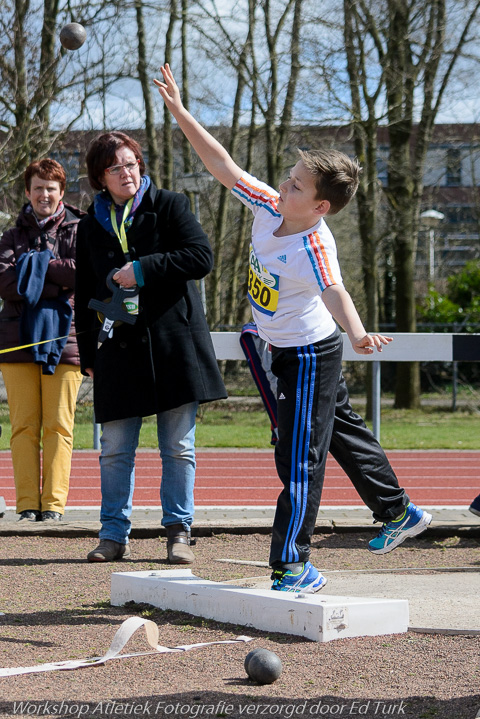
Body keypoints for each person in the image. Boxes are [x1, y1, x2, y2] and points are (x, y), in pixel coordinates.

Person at [154, 64, 433, 592]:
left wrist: (357, 334)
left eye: (297, 184)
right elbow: (225, 166)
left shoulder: (315, 246)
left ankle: (290, 563)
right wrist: (180, 112)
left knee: (299, 456)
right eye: (288, 176)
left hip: (311, 354)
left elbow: (335, 292)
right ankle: (399, 512)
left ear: (320, 206)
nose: (284, 183)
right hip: (282, 348)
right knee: (342, 432)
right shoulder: (268, 204)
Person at [75, 131, 227, 564]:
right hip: (117, 351)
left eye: (131, 163)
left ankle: (179, 533)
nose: (126, 172)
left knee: (178, 448)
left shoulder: (171, 205)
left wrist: (142, 268)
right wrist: (88, 356)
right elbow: (84, 291)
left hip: (173, 345)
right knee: (115, 450)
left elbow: (201, 258)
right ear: (100, 178)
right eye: (115, 167)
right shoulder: (90, 225)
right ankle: (112, 535)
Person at [0, 158, 84, 522]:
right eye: (38, 188)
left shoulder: (81, 229)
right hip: (16, 341)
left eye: (51, 188)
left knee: (59, 426)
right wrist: (55, 275)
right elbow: (5, 283)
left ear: (62, 192)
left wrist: (34, 267)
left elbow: (84, 274)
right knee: (22, 427)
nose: (44, 194)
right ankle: (26, 505)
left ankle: (52, 505)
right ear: (27, 192)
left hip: (65, 340)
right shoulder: (10, 235)